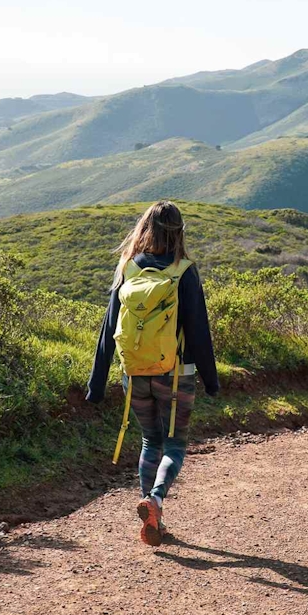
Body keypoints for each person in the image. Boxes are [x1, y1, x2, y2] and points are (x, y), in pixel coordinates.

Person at [86, 201, 218, 546]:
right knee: (174, 444)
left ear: (143, 229)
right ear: (179, 233)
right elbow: (198, 330)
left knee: (149, 440)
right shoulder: (183, 271)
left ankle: (152, 515)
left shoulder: (128, 267)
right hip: (175, 373)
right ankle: (155, 500)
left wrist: (96, 384)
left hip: (134, 372)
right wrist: (212, 380)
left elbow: (108, 328)